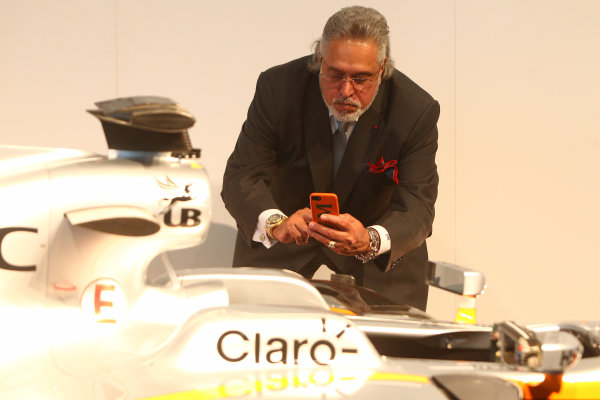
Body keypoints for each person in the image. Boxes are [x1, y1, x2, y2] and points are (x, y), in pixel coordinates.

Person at [221, 5, 439, 310]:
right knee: (254, 334)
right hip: (289, 230)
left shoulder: (414, 111)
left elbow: (418, 206)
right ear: (319, 60)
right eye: (335, 74)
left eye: (361, 79)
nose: (346, 91)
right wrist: (274, 223)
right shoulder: (278, 89)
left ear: (382, 68)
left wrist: (370, 240)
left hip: (372, 239)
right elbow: (242, 176)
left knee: (395, 345)